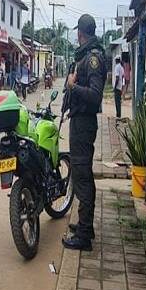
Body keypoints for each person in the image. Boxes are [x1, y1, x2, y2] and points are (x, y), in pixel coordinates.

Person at [62, 15, 107, 251]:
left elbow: (95, 95)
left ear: (80, 33)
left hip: (84, 123)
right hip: (79, 122)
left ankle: (84, 234)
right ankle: (84, 226)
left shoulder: (93, 59)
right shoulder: (86, 56)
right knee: (81, 174)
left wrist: (73, 86)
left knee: (82, 176)